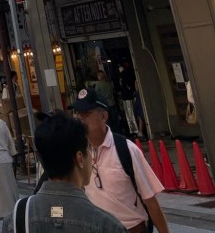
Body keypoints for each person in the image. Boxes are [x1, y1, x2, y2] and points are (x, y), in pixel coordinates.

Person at [1, 112, 126, 233]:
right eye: (89, 149)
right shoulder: (107, 225)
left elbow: (57, 212)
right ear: (80, 158)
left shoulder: (16, 219)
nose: (91, 157)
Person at [71, 87, 170, 233]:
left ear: (103, 117)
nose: (80, 120)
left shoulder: (127, 150)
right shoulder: (79, 153)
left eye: (86, 114)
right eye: (78, 114)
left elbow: (151, 202)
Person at [117, 63, 139, 137]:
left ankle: (133, 130)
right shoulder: (125, 74)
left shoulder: (122, 75)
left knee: (130, 114)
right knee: (131, 114)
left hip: (126, 97)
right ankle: (134, 129)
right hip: (128, 96)